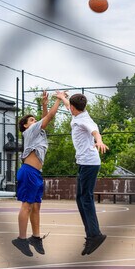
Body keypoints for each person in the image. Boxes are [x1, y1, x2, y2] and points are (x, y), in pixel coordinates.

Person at [12, 90, 66, 256]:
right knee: (27, 206)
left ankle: (35, 237)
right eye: (31, 120)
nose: (34, 120)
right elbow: (48, 117)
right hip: (28, 172)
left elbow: (44, 119)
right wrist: (58, 100)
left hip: (35, 173)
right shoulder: (29, 131)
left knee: (36, 207)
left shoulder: (38, 132)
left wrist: (44, 104)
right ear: (26, 126)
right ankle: (21, 239)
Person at [59, 92, 109, 255]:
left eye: (70, 107)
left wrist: (99, 141)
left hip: (89, 163)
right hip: (84, 162)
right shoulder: (77, 112)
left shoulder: (85, 120)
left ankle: (95, 235)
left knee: (85, 199)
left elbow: (95, 131)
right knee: (80, 199)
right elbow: (68, 104)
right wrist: (62, 97)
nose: (69, 108)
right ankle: (92, 235)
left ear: (74, 108)